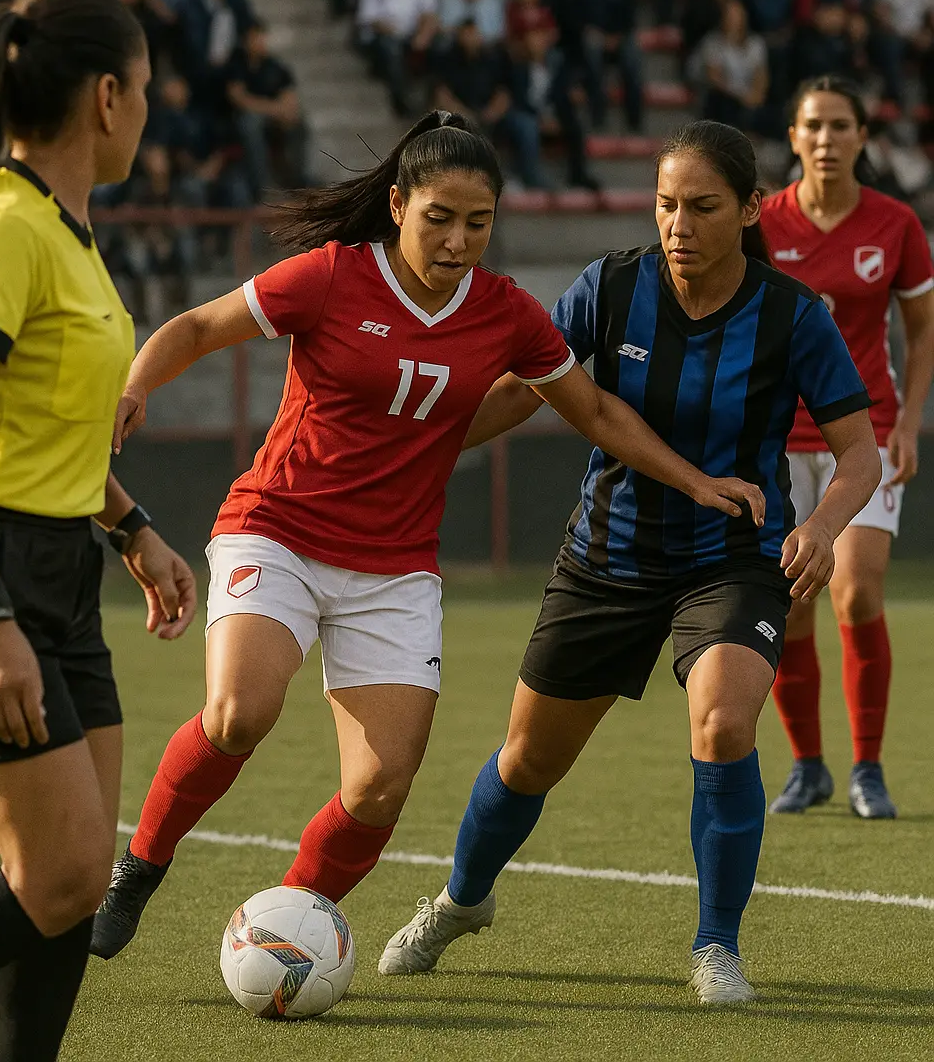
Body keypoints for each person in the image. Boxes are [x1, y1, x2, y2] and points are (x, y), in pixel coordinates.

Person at [90, 111, 767, 960]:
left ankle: (290, 928)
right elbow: (197, 327)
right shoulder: (331, 276)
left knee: (378, 790)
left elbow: (592, 408)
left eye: (477, 222)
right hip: (280, 530)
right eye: (439, 218)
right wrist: (137, 382)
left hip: (396, 568)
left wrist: (696, 481)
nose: (457, 240)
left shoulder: (505, 312)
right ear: (400, 204)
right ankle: (140, 868)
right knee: (237, 715)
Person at [379, 121, 880, 1004]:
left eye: (701, 206)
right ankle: (461, 900)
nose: (677, 223)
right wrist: (420, 448)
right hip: (605, 558)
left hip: (736, 558)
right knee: (528, 759)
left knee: (724, 725)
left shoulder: (794, 316)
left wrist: (828, 525)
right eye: (665, 204)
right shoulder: (607, 289)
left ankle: (716, 946)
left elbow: (859, 455)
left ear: (750, 209)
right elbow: (520, 389)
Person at [0, 0, 195, 1058]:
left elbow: (49, 428)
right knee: (66, 871)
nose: (150, 114)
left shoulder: (68, 235)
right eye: (149, 93)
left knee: (70, 884)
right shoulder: (1, 227)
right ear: (109, 96)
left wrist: (132, 530)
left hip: (64, 568)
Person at [762, 77, 934, 819]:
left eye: (841, 126)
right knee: (792, 604)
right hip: (776, 441)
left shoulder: (897, 224)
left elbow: (923, 332)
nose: (827, 139)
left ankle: (868, 767)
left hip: (862, 438)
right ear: (794, 138)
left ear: (864, 137)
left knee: (856, 590)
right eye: (814, 126)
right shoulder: (760, 224)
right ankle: (808, 768)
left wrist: (908, 423)